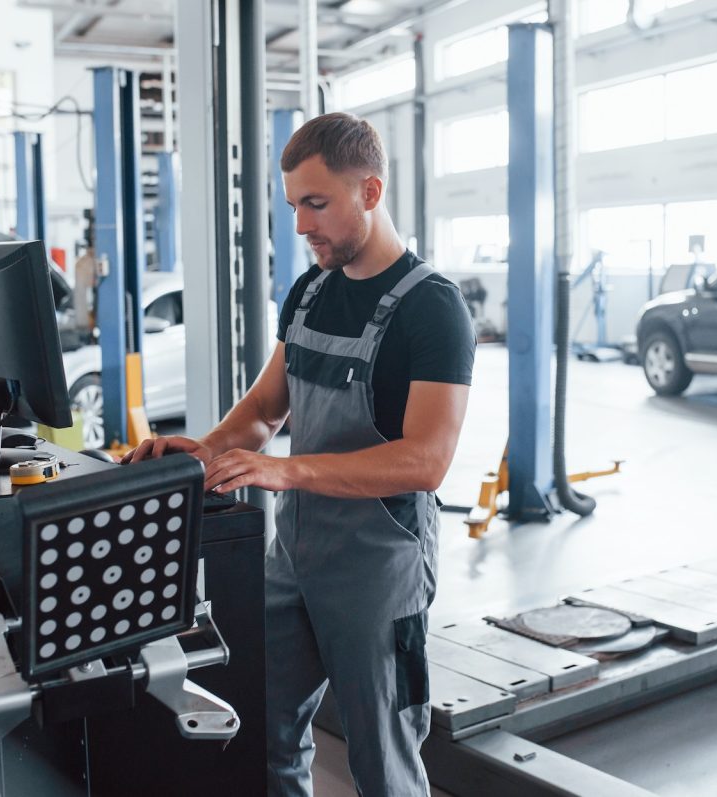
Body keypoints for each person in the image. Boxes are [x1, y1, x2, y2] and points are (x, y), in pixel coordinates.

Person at [123, 112, 475, 795]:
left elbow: (427, 460)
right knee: (264, 734)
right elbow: (261, 413)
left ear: (370, 193)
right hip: (295, 558)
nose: (302, 225)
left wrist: (285, 470)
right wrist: (200, 451)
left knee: (383, 762)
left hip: (379, 569)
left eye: (317, 203)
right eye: (293, 206)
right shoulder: (311, 292)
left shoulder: (431, 308)